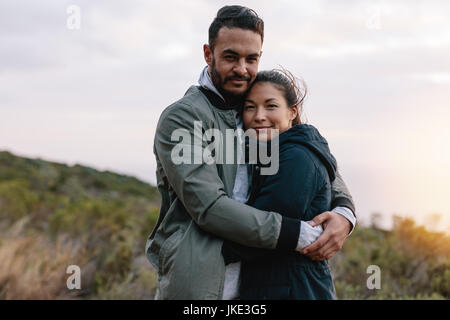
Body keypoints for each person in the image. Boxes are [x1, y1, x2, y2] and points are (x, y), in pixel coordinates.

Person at [145, 5, 356, 300]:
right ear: (209, 54)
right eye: (231, 57)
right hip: (202, 282)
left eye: (251, 58)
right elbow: (208, 206)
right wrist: (299, 234)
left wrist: (344, 212)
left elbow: (308, 153)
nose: (242, 69)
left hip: (262, 279)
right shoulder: (183, 118)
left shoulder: (258, 103)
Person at [222, 69, 338, 299]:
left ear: (292, 111)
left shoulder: (297, 158)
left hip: (294, 289)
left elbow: (257, 236)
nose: (259, 115)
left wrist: (194, 249)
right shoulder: (265, 154)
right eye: (250, 107)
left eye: (271, 106)